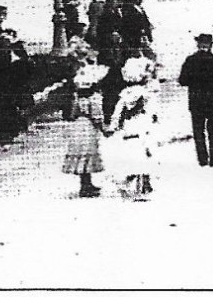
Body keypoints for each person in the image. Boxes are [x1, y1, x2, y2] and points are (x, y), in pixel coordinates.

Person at [102, 56, 158, 200]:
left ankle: (129, 182)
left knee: (131, 155)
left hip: (128, 129)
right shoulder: (146, 94)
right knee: (144, 155)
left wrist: (113, 127)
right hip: (143, 127)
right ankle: (141, 185)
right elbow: (152, 112)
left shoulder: (125, 94)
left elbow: (117, 113)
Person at [178, 32, 213, 167]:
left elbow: (182, 80)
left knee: (198, 130)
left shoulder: (190, 60)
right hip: (212, 100)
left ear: (198, 44)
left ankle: (202, 159)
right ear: (210, 45)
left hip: (196, 100)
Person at [62, 62, 108, 198]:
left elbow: (72, 114)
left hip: (78, 127)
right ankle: (87, 186)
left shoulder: (76, 100)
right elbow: (97, 116)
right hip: (88, 128)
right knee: (88, 154)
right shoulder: (93, 100)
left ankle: (85, 183)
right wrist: (103, 128)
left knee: (80, 156)